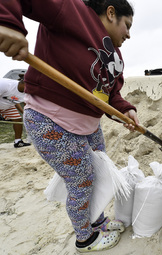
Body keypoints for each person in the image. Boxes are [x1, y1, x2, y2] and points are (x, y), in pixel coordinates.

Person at [0, 0, 139, 252]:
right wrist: (8, 22)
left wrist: (126, 109)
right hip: (50, 119)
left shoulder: (116, 57)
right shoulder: (72, 10)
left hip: (89, 125)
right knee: (82, 179)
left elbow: (112, 95)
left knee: (98, 172)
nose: (129, 34)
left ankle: (96, 220)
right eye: (126, 25)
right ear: (111, 13)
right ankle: (85, 237)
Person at [0, 71, 31, 148]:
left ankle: (18, 142)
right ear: (24, 82)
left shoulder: (26, 92)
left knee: (18, 119)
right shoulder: (5, 84)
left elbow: (15, 101)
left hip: (7, 106)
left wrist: (24, 112)